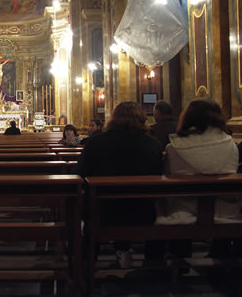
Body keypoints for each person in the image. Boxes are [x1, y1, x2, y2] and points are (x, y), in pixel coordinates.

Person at [75, 101, 163, 267]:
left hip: (102, 211)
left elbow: (79, 175)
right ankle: (154, 266)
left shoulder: (96, 142)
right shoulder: (153, 144)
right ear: (142, 119)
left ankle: (87, 266)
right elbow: (159, 176)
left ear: (113, 118)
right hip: (143, 212)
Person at [157, 98, 240, 257]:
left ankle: (180, 255)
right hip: (223, 210)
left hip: (184, 209)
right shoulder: (231, 145)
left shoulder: (173, 147)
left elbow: (167, 176)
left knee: (170, 201)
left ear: (187, 117)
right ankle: (220, 253)